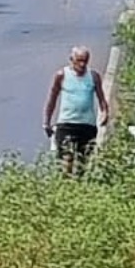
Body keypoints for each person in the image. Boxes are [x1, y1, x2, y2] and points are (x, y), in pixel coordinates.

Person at [43, 45, 110, 175]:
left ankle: (80, 189)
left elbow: (101, 97)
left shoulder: (93, 76)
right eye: (79, 60)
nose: (82, 64)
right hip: (66, 124)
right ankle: (65, 188)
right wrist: (47, 122)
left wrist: (105, 112)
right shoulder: (62, 75)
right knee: (65, 162)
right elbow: (52, 99)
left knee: (82, 163)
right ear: (71, 60)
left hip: (86, 125)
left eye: (85, 61)